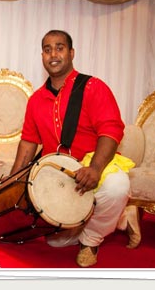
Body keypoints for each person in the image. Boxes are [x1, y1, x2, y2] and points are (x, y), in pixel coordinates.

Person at [10, 30, 134, 267]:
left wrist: (95, 168)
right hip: (58, 175)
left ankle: (91, 239)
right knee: (54, 243)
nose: (53, 54)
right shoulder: (36, 99)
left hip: (92, 167)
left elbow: (111, 130)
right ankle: (117, 219)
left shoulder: (93, 87)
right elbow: (28, 143)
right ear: (42, 56)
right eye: (47, 49)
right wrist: (12, 183)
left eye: (59, 47)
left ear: (71, 52)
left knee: (118, 187)